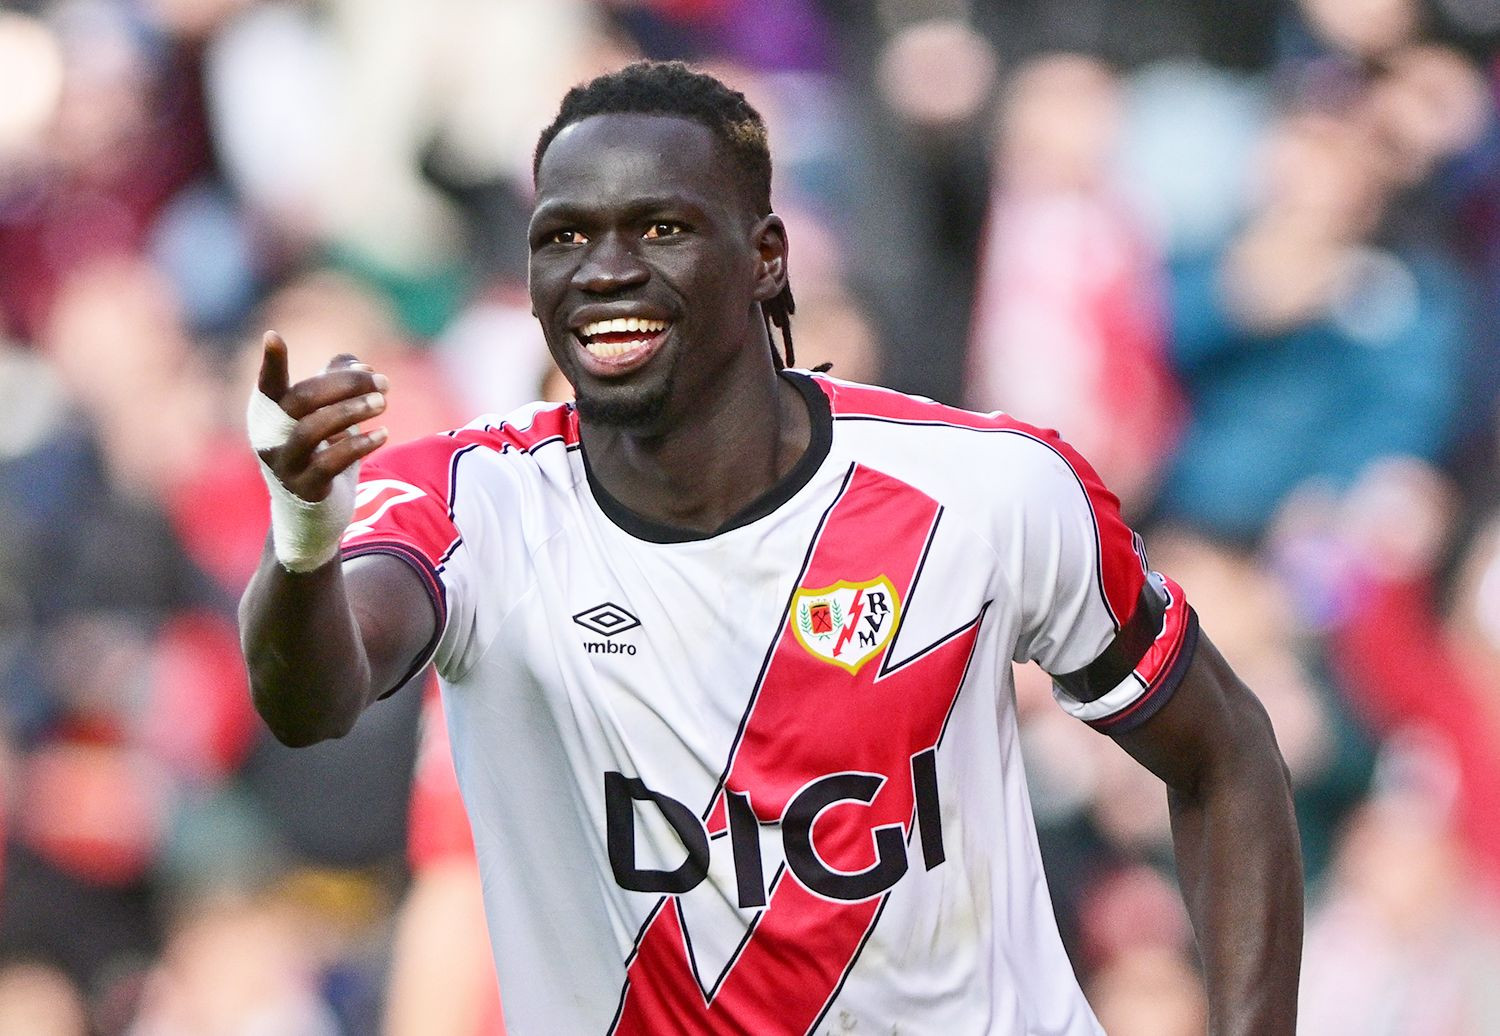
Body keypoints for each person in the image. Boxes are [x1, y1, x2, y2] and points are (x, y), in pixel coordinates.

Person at [239, 61, 1302, 1034]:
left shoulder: (985, 491)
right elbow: (311, 698)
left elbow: (1226, 757)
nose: (603, 270)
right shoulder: (469, 505)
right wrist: (304, 534)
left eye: (659, 229)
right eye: (563, 237)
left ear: (765, 256)